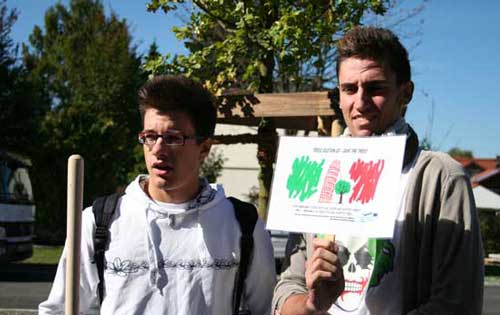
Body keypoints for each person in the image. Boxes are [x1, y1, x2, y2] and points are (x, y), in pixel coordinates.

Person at [272, 26, 484, 315]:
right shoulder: (320, 170)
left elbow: (456, 303)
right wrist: (311, 305)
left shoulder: (442, 178)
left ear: (405, 93)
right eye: (349, 89)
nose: (360, 103)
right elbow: (287, 290)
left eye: (375, 88)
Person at [39, 75, 276, 314]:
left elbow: (264, 309)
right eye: (150, 137)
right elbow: (58, 309)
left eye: (173, 138)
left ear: (204, 147)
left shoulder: (243, 225)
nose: (158, 150)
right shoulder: (98, 222)